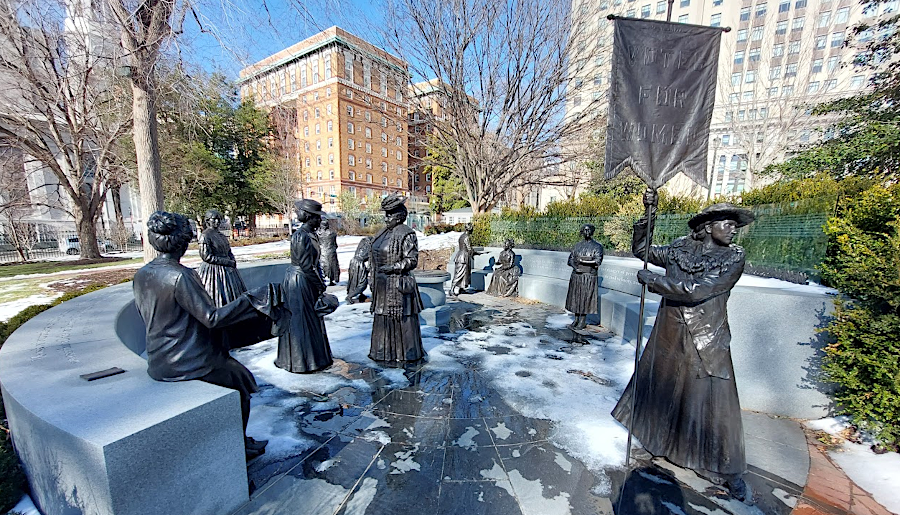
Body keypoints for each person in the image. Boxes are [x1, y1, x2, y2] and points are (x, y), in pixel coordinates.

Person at [611, 190, 755, 502]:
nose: (733, 229)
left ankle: (726, 469)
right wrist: (648, 214)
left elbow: (697, 290)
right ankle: (656, 441)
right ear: (707, 226)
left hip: (706, 336)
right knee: (665, 389)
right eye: (726, 224)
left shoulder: (734, 257)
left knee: (713, 402)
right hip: (670, 333)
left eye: (735, 226)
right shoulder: (679, 248)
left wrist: (653, 282)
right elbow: (643, 250)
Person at [133, 211, 278, 460]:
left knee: (236, 371)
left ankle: (239, 440)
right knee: (241, 382)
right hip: (186, 362)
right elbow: (212, 318)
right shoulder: (181, 276)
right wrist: (251, 300)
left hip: (159, 359)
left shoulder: (143, 274)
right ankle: (238, 444)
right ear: (183, 241)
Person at [275, 199, 335, 373]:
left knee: (310, 320)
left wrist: (319, 282)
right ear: (309, 217)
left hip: (306, 280)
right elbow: (306, 266)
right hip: (299, 283)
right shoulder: (301, 236)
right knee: (300, 321)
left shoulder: (311, 234)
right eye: (317, 217)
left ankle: (315, 358)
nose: (320, 221)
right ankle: (301, 361)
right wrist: (320, 285)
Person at [368, 194, 426, 363]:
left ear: (399, 216)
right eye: (385, 214)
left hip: (398, 285)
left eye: (390, 214)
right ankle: (383, 353)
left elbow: (412, 260)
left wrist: (393, 267)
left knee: (401, 320)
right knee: (382, 317)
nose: (386, 218)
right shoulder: (382, 233)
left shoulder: (407, 234)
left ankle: (404, 354)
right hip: (381, 285)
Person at [197, 209, 246, 307]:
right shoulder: (205, 236)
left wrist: (232, 260)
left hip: (228, 270)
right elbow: (206, 257)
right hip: (213, 272)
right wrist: (227, 262)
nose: (217, 222)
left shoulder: (222, 236)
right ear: (207, 221)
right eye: (214, 219)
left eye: (219, 219)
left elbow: (228, 251)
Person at [565, 224, 604, 330]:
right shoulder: (577, 246)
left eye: (589, 230)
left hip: (588, 276)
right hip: (577, 275)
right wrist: (575, 267)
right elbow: (570, 260)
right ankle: (576, 319)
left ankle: (582, 320)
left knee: (585, 298)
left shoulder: (597, 246)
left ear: (592, 232)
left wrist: (582, 261)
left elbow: (597, 261)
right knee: (576, 298)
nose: (587, 232)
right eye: (585, 230)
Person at [450, 222, 476, 296]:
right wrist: (475, 253)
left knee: (464, 274)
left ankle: (461, 288)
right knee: (459, 274)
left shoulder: (462, 236)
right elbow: (469, 248)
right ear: (470, 229)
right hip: (463, 257)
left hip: (460, 256)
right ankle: (452, 289)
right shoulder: (466, 237)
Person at [346, 237, 372, 304]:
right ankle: (349, 297)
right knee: (362, 283)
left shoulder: (362, 246)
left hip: (353, 262)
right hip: (359, 264)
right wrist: (368, 270)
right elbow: (370, 263)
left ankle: (361, 294)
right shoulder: (371, 247)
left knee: (355, 281)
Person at [319, 218, 340, 286]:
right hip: (331, 251)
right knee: (332, 266)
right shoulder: (333, 233)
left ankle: (323, 279)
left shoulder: (318, 234)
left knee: (323, 266)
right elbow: (335, 244)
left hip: (322, 252)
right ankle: (332, 279)